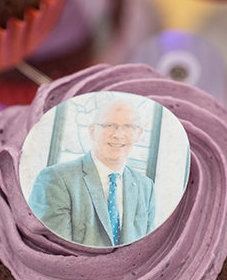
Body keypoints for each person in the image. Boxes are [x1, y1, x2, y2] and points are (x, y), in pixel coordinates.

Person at [28, 97, 156, 247]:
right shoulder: (55, 179)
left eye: (128, 127)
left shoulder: (146, 187)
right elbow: (54, 251)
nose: (118, 134)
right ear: (93, 131)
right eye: (110, 125)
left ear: (138, 134)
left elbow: (147, 248)